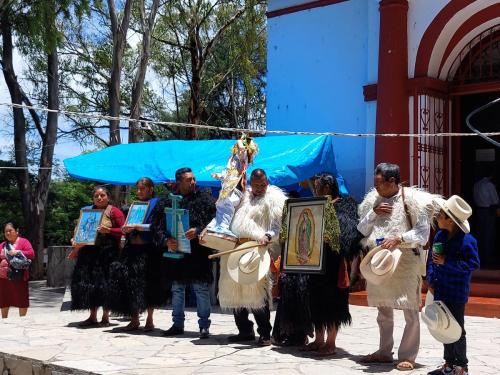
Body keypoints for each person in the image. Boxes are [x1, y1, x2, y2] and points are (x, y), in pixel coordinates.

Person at [357, 163, 440, 371]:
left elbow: (422, 234)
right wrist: (373, 213)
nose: (376, 188)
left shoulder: (412, 200)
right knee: (383, 310)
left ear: (392, 181)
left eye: (379, 184)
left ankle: (408, 355)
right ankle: (384, 351)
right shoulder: (372, 201)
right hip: (380, 261)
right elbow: (361, 229)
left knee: (410, 310)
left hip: (405, 262)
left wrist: (399, 238)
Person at [273, 172, 362, 354]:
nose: (315, 190)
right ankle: (319, 338)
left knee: (333, 301)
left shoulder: (345, 206)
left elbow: (348, 235)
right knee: (315, 300)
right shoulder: (313, 206)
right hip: (313, 263)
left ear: (327, 187)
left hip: (333, 263)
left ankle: (331, 342)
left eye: (318, 186)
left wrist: (332, 239)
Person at [217, 168, 287, 346]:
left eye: (263, 185)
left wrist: (268, 236)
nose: (259, 189)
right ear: (251, 184)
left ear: (267, 182)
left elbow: (278, 226)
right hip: (236, 248)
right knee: (235, 291)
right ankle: (244, 330)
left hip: (258, 249)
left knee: (258, 292)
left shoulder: (275, 200)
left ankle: (264, 333)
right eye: (256, 186)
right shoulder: (242, 197)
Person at [151, 167, 216, 339]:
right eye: (189, 180)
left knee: (201, 289)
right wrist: (166, 240)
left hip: (198, 253)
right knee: (177, 288)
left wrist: (198, 230)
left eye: (194, 179)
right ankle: (177, 324)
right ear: (178, 182)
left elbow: (214, 222)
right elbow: (156, 227)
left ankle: (204, 326)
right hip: (175, 252)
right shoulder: (165, 202)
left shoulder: (205, 199)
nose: (193, 182)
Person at [426, 195, 480, 375]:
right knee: (444, 326)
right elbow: (433, 260)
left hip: (456, 292)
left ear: (450, 220)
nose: (437, 217)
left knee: (457, 329)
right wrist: (431, 280)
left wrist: (446, 262)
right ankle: (448, 364)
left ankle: (462, 366)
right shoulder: (440, 236)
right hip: (440, 288)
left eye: (440, 215)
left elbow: (473, 264)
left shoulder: (467, 241)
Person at [107, 177, 168, 331]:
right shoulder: (134, 206)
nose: (139, 191)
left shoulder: (158, 205)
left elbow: (159, 227)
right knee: (131, 285)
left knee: (150, 285)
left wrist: (143, 227)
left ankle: (150, 319)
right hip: (132, 251)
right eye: (138, 189)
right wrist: (126, 229)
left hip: (149, 251)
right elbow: (126, 226)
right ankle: (134, 319)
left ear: (150, 189)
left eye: (143, 188)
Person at [70, 186, 125, 327]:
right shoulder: (87, 211)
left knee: (106, 284)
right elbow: (80, 229)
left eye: (102, 195)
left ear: (108, 197)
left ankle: (105, 316)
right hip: (88, 253)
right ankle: (92, 316)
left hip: (108, 253)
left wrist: (109, 230)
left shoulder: (114, 211)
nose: (99, 198)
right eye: (96, 196)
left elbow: (124, 230)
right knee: (90, 284)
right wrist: (75, 240)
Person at [0, 223, 35, 318]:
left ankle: (22, 320)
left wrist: (18, 252)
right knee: (4, 298)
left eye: (10, 230)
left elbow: (31, 254)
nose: (8, 233)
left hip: (19, 276)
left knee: (21, 298)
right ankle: (4, 319)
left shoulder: (24, 242)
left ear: (16, 231)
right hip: (4, 278)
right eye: (6, 231)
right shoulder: (3, 245)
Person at [473, 174, 498, 265]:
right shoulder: (489, 185)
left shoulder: (476, 184)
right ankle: (488, 258)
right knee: (488, 235)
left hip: (479, 210)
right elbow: (495, 200)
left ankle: (480, 256)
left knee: (480, 234)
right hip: (488, 211)